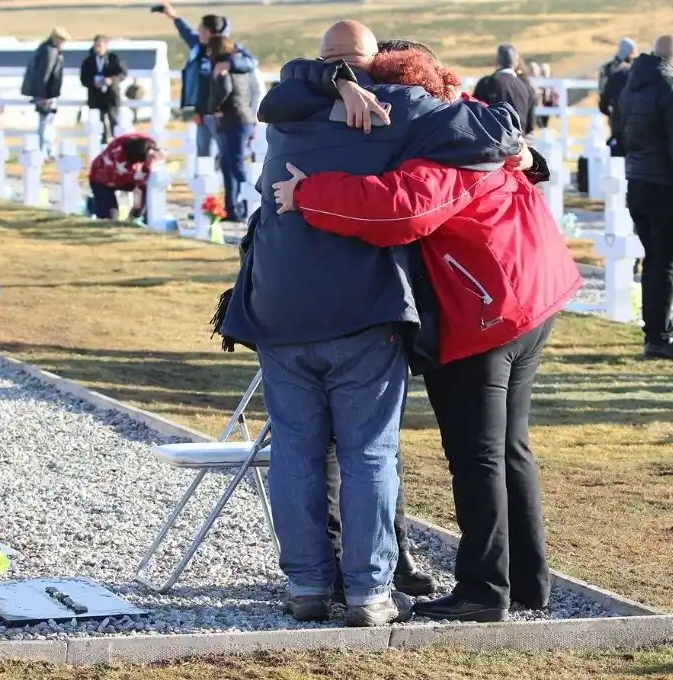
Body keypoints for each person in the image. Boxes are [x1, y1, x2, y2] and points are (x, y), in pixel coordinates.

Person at [219, 21, 522, 628]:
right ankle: (369, 592)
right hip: (360, 307)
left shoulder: (286, 109)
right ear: (376, 61)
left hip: (278, 304)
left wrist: (337, 79)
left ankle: (306, 585)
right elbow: (502, 130)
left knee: (297, 451)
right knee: (369, 454)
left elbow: (288, 80)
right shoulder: (401, 108)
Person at [272, 44, 581, 623]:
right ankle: (527, 582)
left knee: (478, 456)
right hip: (532, 295)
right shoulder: (468, 119)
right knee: (510, 449)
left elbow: (399, 211)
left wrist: (306, 194)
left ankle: (484, 591)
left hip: (486, 309)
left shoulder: (441, 147)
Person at [617, 35, 673, 361]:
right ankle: (659, 337)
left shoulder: (631, 85)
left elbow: (624, 131)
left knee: (654, 260)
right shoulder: (672, 86)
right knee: (667, 263)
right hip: (666, 185)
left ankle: (655, 331)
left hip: (638, 180)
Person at [154, 2, 257, 158]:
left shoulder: (228, 48)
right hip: (202, 110)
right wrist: (173, 16)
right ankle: (207, 178)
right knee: (203, 153)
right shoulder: (199, 46)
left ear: (209, 31)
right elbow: (185, 32)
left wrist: (230, 63)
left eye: (201, 28)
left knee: (226, 152)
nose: (198, 31)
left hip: (222, 111)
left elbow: (252, 62)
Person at [202, 36, 256, 223]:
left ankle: (247, 203)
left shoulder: (223, 66)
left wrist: (213, 107)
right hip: (238, 119)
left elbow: (224, 89)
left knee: (235, 164)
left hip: (235, 119)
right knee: (228, 164)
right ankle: (231, 207)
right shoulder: (236, 65)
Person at [87, 133, 164, 221]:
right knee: (109, 217)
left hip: (127, 177)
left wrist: (137, 211)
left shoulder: (146, 143)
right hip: (102, 180)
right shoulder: (116, 153)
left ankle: (142, 216)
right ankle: (92, 204)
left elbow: (143, 180)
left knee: (147, 188)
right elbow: (132, 176)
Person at [21, 27, 67, 159]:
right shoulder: (50, 51)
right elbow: (45, 75)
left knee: (45, 122)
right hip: (47, 94)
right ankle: (44, 151)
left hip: (45, 93)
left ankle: (45, 150)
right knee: (45, 122)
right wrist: (44, 95)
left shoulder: (45, 49)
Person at [473, 44, 537, 137]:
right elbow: (530, 125)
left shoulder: (486, 84)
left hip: (494, 144)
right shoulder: (527, 87)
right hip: (519, 143)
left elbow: (474, 116)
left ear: (496, 61)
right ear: (515, 62)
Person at [80, 35, 128, 144]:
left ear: (105, 46)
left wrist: (111, 80)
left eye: (100, 46)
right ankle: (101, 146)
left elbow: (123, 73)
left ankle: (118, 145)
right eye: (96, 46)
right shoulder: (88, 61)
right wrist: (93, 82)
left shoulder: (114, 58)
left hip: (111, 96)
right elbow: (83, 79)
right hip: (96, 97)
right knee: (98, 125)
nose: (98, 48)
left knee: (115, 123)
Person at [599, 38, 637, 157]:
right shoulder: (634, 70)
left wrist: (609, 111)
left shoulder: (608, 68)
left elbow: (603, 93)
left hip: (615, 117)